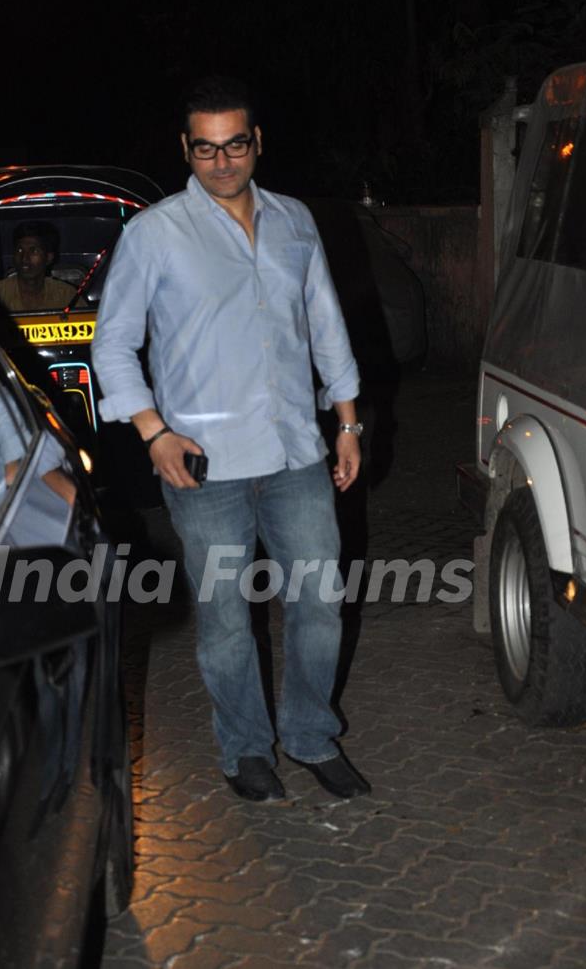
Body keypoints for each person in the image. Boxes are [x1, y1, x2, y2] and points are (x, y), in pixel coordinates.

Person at [92, 76, 371, 802]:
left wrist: (346, 422)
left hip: (296, 453)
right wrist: (152, 432)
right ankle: (246, 749)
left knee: (319, 602)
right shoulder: (153, 233)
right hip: (202, 463)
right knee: (224, 618)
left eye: (235, 144)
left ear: (256, 144)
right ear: (186, 149)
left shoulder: (295, 221)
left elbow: (326, 326)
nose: (222, 161)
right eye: (206, 148)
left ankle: (311, 734)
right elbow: (112, 345)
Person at [0, 221, 86, 312]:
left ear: (48, 257)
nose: (24, 258)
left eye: (34, 251)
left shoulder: (66, 296)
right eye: (20, 250)